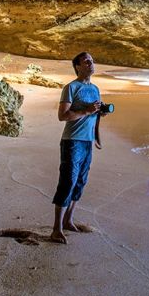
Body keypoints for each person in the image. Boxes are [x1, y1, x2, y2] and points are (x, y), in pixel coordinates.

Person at [49, 51, 102, 243]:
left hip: (87, 141)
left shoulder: (96, 89)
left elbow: (94, 117)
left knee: (80, 181)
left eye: (92, 61)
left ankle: (68, 220)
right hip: (72, 140)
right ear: (77, 66)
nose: (91, 64)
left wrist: (96, 136)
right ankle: (56, 228)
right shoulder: (71, 87)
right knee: (68, 182)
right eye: (86, 61)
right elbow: (62, 116)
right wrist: (86, 110)